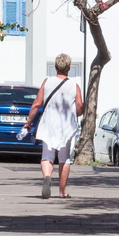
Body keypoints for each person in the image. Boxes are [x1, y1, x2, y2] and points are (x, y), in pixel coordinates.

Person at [29, 53, 83, 200]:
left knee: (47, 155)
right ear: (69, 68)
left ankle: (47, 176)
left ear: (55, 67)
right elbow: (79, 107)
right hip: (66, 125)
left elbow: (37, 104)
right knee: (64, 158)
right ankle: (62, 191)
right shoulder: (74, 85)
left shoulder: (47, 82)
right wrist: (75, 114)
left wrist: (28, 123)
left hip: (48, 123)